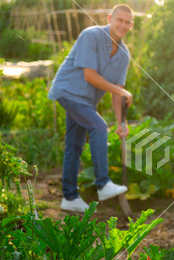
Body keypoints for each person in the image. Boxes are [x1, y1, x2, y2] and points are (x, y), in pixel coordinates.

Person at [48, 4, 134, 212]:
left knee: (75, 144)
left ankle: (69, 197)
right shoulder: (91, 36)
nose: (123, 25)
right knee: (97, 126)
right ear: (109, 18)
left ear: (131, 26)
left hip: (86, 101)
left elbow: (117, 92)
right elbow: (90, 76)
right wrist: (121, 92)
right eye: (119, 20)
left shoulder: (124, 54)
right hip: (68, 91)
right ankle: (103, 183)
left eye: (128, 22)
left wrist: (121, 122)